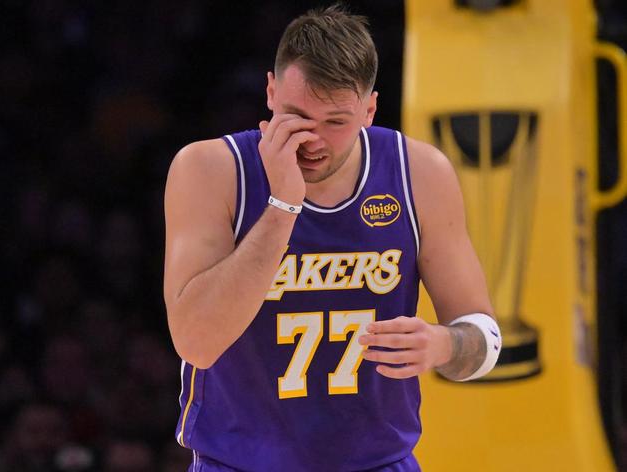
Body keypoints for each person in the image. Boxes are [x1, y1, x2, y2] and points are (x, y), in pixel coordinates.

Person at [163, 4, 501, 471]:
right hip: (240, 463)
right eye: (297, 116)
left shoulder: (419, 173)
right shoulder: (210, 170)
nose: (313, 140)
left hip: (378, 462)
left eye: (336, 122)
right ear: (271, 92)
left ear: (369, 110)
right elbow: (196, 343)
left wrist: (443, 344)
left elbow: (486, 339)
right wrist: (283, 207)